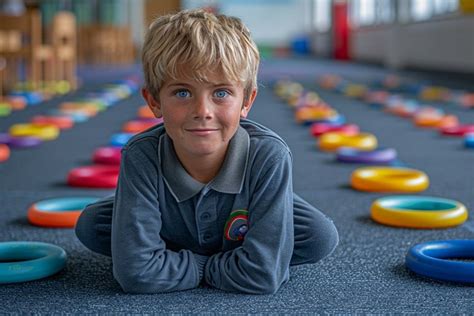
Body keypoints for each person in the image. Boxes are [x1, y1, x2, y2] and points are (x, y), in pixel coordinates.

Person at [75, 9, 338, 295]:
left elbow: (263, 276)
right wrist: (230, 266)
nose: (203, 112)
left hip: (248, 207)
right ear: (154, 101)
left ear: (246, 102)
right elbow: (136, 275)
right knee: (91, 226)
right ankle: (216, 252)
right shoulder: (141, 155)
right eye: (183, 93)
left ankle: (169, 255)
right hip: (175, 217)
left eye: (221, 93)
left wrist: (176, 266)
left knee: (319, 237)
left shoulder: (269, 155)